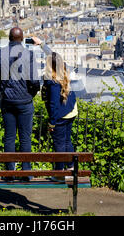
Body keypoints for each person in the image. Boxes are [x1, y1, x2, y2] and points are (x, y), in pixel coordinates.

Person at [0, 27, 40, 181]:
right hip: (25, 101)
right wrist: (32, 93)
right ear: (22, 39)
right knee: (25, 138)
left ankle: (10, 173)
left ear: (9, 38)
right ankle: (26, 173)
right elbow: (34, 81)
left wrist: (0, 91)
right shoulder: (28, 54)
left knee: (9, 138)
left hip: (7, 101)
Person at [41, 51, 78, 181]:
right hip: (71, 111)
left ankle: (59, 174)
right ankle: (71, 168)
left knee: (59, 144)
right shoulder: (64, 71)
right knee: (67, 141)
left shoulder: (53, 82)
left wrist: (52, 123)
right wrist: (42, 45)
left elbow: (53, 105)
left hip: (60, 116)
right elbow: (56, 59)